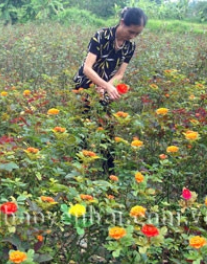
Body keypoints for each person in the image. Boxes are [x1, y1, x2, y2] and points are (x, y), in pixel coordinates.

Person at [73, 7, 147, 176]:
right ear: (122, 23)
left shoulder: (130, 46)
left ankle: (109, 174)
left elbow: (120, 74)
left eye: (137, 34)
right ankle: (79, 172)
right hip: (84, 86)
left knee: (107, 130)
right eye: (131, 31)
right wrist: (105, 86)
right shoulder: (101, 36)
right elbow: (87, 68)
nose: (133, 36)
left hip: (104, 88)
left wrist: (107, 87)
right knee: (83, 129)